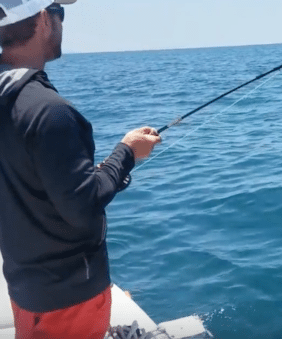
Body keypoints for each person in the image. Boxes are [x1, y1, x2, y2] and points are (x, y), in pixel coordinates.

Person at [0, 0, 162, 337]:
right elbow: (83, 206)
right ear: (44, 19)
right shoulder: (50, 112)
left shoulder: (8, 95)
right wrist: (128, 153)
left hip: (27, 285)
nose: (61, 22)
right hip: (68, 297)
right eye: (59, 12)